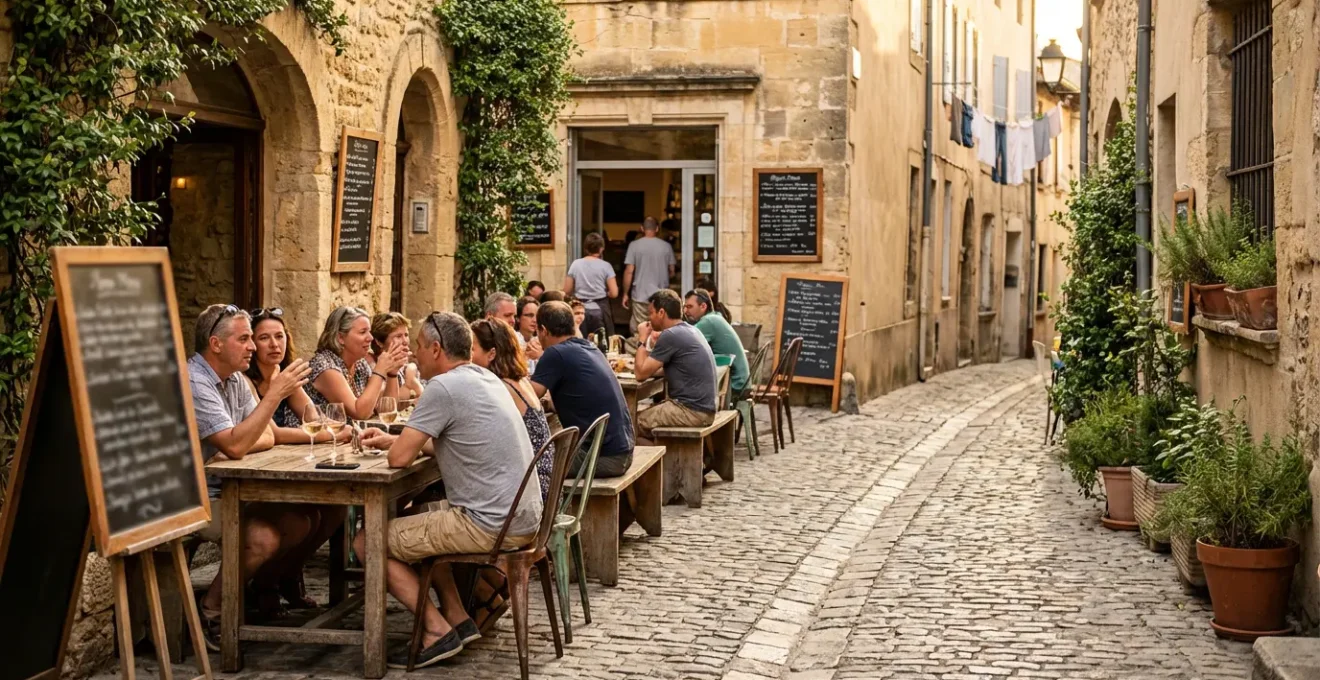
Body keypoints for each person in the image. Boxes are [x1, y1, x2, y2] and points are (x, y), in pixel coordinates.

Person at [356, 312, 542, 668]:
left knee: (367, 542)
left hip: (489, 524)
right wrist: (392, 437)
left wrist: (395, 445)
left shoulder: (442, 387)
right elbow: (451, 442)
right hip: (524, 516)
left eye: (419, 347)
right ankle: (458, 617)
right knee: (418, 517)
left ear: (437, 348)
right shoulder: (485, 377)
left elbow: (399, 460)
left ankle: (435, 628)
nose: (415, 355)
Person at [188, 304, 316, 649]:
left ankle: (249, 593)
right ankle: (212, 610)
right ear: (216, 344)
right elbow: (237, 443)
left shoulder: (236, 379)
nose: (252, 347)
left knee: (298, 522)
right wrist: (273, 395)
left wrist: (238, 442)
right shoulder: (195, 381)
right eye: (245, 339)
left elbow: (266, 436)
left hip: (229, 488)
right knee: (263, 538)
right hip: (191, 497)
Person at [242, 307, 351, 613]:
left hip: (282, 467)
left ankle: (284, 576)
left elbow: (313, 418)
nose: (274, 344)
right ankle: (264, 585)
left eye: (279, 336)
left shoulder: (284, 376)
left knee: (333, 511)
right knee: (302, 519)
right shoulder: (245, 382)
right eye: (264, 338)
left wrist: (334, 429)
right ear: (251, 344)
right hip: (253, 475)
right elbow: (273, 432)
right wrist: (328, 435)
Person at [531, 301, 635, 478]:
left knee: (531, 466)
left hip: (601, 457)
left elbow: (528, 398)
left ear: (543, 330)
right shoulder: (589, 347)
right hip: (622, 451)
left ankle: (544, 506)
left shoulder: (555, 353)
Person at [471, 318, 554, 501]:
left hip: (526, 497)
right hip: (542, 488)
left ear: (491, 353)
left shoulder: (499, 388)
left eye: (472, 349)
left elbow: (468, 438)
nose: (466, 356)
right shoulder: (520, 380)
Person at [634, 289, 717, 443]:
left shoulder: (671, 335)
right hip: (703, 408)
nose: (648, 318)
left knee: (631, 424)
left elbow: (640, 374)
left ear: (661, 312)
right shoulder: (690, 330)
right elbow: (664, 369)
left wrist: (642, 339)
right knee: (643, 417)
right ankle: (662, 458)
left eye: (650, 313)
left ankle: (660, 462)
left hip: (691, 410)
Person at [305, 306, 407, 420]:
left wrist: (392, 373)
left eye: (369, 332)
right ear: (341, 338)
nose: (370, 337)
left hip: (348, 436)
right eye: (363, 332)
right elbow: (359, 413)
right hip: (312, 436)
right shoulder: (324, 366)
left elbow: (385, 411)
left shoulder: (360, 364)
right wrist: (379, 371)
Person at [684, 289, 749, 394]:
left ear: (703, 306)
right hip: (740, 383)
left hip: (733, 387)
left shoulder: (708, 321)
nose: (686, 311)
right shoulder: (715, 317)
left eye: (689, 307)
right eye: (685, 307)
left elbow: (683, 342)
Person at [621, 216, 676, 335]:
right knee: (659, 330)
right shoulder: (666, 247)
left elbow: (629, 271)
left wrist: (625, 293)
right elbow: (672, 271)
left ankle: (640, 351)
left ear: (642, 228)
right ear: (657, 229)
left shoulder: (634, 246)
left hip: (640, 295)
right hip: (661, 297)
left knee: (639, 330)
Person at [564, 232, 619, 339]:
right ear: (601, 248)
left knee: (580, 341)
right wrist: (606, 292)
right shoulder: (606, 266)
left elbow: (566, 290)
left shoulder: (576, 264)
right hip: (600, 310)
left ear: (585, 248)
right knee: (603, 342)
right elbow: (614, 293)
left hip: (579, 309)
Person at [370, 312, 426, 398]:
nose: (405, 341)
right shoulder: (371, 367)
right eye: (398, 336)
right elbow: (387, 404)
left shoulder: (405, 367)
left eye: (406, 335)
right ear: (379, 342)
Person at [515, 295, 543, 367]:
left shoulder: (541, 341)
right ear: (518, 318)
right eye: (530, 315)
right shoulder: (512, 340)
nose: (535, 320)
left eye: (537, 316)